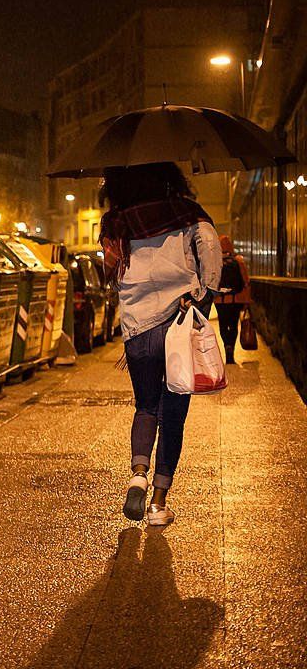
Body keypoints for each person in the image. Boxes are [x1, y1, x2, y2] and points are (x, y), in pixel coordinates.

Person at [99, 162, 222, 528]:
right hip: (177, 323)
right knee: (174, 416)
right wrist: (204, 297)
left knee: (145, 406)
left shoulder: (116, 220)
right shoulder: (186, 212)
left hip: (137, 329)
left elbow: (110, 269)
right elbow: (211, 252)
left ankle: (137, 472)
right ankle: (158, 502)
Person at [214, 235, 251, 364]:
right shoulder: (238, 261)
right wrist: (247, 300)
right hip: (236, 299)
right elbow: (246, 282)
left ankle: (226, 347)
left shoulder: (215, 262)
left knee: (223, 324)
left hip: (220, 300)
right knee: (234, 324)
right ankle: (232, 350)